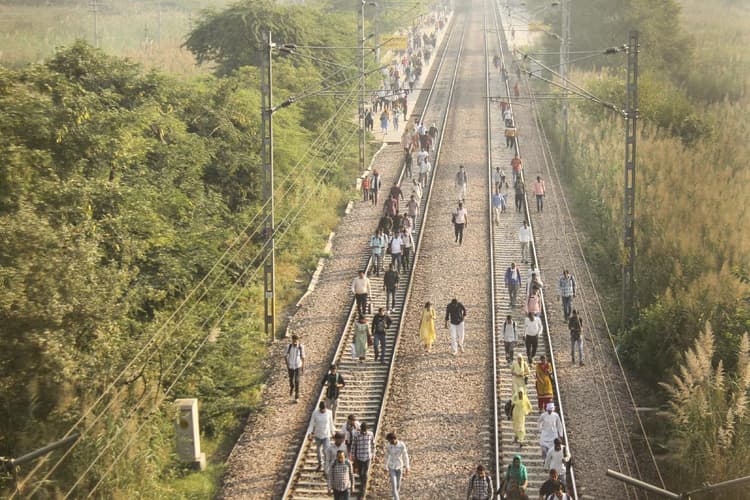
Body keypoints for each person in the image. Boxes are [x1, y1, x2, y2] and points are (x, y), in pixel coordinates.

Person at [307, 401, 335, 472]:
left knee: (326, 451)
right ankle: (320, 464)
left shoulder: (329, 413)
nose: (323, 410)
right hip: (318, 435)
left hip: (326, 435)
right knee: (318, 451)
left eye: (324, 409)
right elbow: (311, 424)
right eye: (322, 409)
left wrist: (333, 432)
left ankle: (326, 466)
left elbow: (331, 423)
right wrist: (309, 433)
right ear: (319, 408)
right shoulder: (315, 413)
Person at [384, 432, 410, 500]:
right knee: (394, 485)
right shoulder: (388, 446)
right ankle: (397, 498)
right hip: (391, 467)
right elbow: (386, 457)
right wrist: (385, 467)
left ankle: (394, 496)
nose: (389, 442)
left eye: (390, 441)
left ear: (394, 439)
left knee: (398, 485)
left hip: (399, 466)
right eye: (389, 441)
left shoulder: (401, 445)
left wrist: (407, 466)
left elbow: (405, 456)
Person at [352, 422, 374, 498]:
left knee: (365, 474)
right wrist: (353, 455)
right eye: (363, 430)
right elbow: (353, 445)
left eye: (365, 430)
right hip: (359, 456)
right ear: (360, 429)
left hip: (367, 457)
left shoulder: (370, 434)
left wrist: (373, 454)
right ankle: (363, 485)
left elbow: (373, 445)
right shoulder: (356, 435)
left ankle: (362, 491)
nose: (364, 431)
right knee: (360, 473)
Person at [285, 334, 305, 402]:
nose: (294, 342)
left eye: (296, 341)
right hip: (291, 366)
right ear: (292, 340)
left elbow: (303, 357)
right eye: (293, 341)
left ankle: (297, 395)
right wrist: (287, 365)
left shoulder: (301, 347)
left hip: (298, 366)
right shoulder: (289, 347)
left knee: (297, 380)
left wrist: (302, 367)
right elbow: (285, 356)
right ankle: (292, 387)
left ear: (298, 340)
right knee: (291, 379)